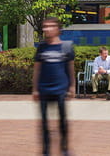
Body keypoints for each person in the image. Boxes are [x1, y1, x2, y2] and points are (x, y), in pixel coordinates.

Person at [32, 17, 75, 156]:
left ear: (58, 29)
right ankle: (46, 151)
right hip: (44, 89)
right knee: (44, 123)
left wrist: (72, 86)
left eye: (50, 26)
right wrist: (35, 89)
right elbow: (37, 69)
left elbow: (70, 68)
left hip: (61, 89)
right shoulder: (41, 47)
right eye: (45, 26)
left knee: (62, 121)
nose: (47, 29)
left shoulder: (66, 47)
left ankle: (64, 149)